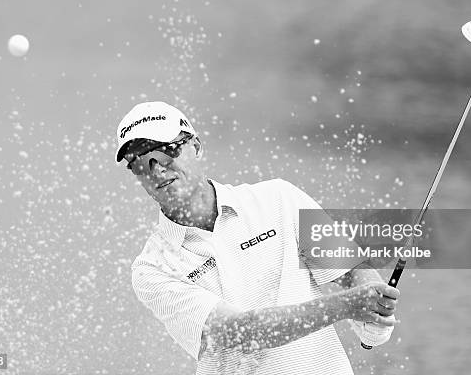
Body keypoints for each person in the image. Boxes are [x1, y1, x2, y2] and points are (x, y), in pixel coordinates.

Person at [116, 101, 399, 374]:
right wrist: (347, 305)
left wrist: (375, 314)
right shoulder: (152, 268)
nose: (157, 169)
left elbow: (354, 272)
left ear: (196, 146)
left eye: (166, 151)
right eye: (140, 164)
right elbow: (240, 332)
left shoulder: (279, 198)